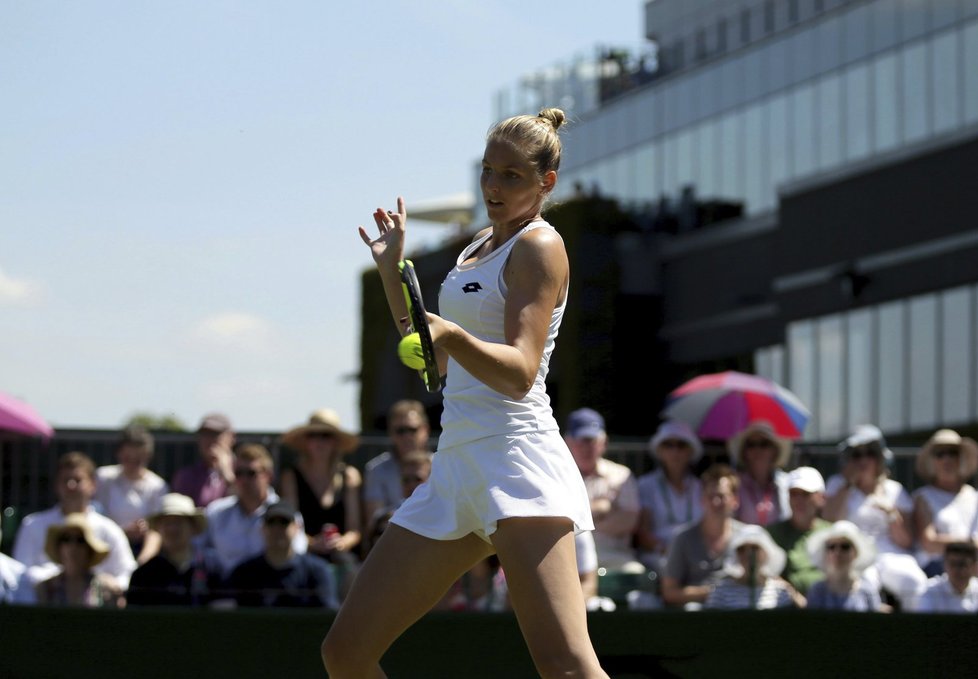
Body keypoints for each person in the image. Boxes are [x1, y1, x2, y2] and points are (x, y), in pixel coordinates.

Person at [324, 108, 607, 678]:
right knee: (346, 652)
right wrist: (391, 269)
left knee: (567, 667)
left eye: (511, 176)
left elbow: (521, 370)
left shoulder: (540, 246)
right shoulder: (477, 244)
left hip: (518, 463)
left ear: (546, 182)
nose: (493, 188)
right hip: (456, 466)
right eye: (487, 172)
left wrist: (451, 332)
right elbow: (421, 342)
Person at [823, 425, 926, 610]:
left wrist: (892, 516)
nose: (863, 460)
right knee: (862, 588)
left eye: (869, 453)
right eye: (856, 454)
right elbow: (829, 521)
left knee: (916, 582)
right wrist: (848, 485)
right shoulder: (837, 484)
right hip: (855, 556)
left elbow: (906, 541)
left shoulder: (895, 490)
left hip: (892, 555)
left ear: (879, 458)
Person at [13, 452, 136, 589]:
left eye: (77, 480)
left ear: (93, 485)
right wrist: (57, 579)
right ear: (56, 485)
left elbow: (127, 574)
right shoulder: (33, 524)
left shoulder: (110, 529)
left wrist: (106, 584)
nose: (71, 486)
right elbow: (21, 574)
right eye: (65, 480)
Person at [198, 443, 307, 578]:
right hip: (225, 591)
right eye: (239, 473)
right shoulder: (216, 512)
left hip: (270, 591)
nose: (244, 480)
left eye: (251, 473)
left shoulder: (286, 514)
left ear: (268, 476)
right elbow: (196, 548)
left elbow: (297, 554)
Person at [279, 408, 363, 572]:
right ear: (305, 442)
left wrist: (342, 543)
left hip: (343, 560)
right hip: (304, 556)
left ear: (335, 442)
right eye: (313, 435)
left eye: (326, 436)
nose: (319, 441)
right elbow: (291, 525)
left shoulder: (350, 476)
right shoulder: (291, 477)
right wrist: (311, 543)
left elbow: (355, 530)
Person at [565, 407, 643, 574]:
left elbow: (629, 522)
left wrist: (580, 520)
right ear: (567, 442)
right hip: (571, 559)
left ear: (604, 443)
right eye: (581, 441)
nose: (587, 447)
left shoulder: (622, 475)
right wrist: (600, 509)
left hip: (615, 558)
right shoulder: (558, 477)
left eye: (592, 440)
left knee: (639, 576)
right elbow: (557, 521)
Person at [224, 500, 339, 609]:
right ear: (262, 529)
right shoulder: (244, 574)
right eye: (271, 522)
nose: (277, 529)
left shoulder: (316, 571)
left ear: (296, 528)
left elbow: (327, 616)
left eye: (284, 522)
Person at [660, 464, 745, 609]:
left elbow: (765, 578)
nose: (715, 502)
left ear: (735, 500)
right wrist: (712, 593)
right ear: (702, 500)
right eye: (710, 496)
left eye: (721, 496)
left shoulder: (748, 536)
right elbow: (669, 591)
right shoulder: (682, 538)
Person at [127, 493, 223, 607]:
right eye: (167, 523)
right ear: (158, 529)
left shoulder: (212, 566)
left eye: (178, 522)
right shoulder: (144, 575)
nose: (172, 529)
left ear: (192, 527)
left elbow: (224, 611)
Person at [635, 420, 703, 575]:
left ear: (690, 451)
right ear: (660, 450)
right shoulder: (646, 484)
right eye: (668, 445)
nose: (675, 451)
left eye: (681, 445)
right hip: (659, 555)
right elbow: (642, 533)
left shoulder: (700, 487)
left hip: (695, 554)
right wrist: (668, 550)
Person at [94, 424, 168, 564]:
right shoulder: (103, 478)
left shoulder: (158, 486)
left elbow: (156, 531)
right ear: (119, 454)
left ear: (148, 456)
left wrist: (141, 564)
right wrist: (122, 532)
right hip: (105, 550)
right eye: (128, 458)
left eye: (138, 459)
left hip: (143, 552)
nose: (133, 464)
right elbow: (96, 519)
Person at [911, 429, 978, 577]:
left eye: (952, 453)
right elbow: (929, 542)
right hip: (937, 568)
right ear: (932, 461)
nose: (947, 459)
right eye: (940, 454)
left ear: (961, 458)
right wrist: (969, 545)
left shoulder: (974, 496)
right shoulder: (922, 497)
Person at [363, 399, 434, 536]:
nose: (407, 436)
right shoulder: (376, 469)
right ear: (391, 433)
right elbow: (375, 523)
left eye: (412, 429)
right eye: (400, 431)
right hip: (393, 538)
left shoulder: (442, 466)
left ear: (425, 429)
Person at [704, 524, 805, 609]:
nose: (748, 554)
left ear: (766, 553)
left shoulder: (781, 592)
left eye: (754, 548)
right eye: (742, 549)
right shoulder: (721, 592)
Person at [765, 466, 832, 594]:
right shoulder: (772, 534)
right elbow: (768, 574)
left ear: (821, 498)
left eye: (806, 494)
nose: (799, 500)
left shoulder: (833, 533)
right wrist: (794, 596)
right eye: (794, 494)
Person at [35, 513, 125, 608]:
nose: (73, 547)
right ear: (59, 547)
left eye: (80, 540)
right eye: (66, 539)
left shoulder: (107, 588)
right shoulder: (46, 588)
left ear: (89, 549)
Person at [805, 520, 884, 612]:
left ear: (855, 553)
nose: (837, 552)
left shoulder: (867, 591)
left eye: (845, 546)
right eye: (831, 546)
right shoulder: (817, 591)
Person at [728, 421, 791, 527]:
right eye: (751, 445)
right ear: (744, 452)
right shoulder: (734, 484)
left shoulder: (787, 483)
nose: (757, 450)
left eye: (764, 444)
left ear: (774, 451)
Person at [170, 413, 236, 508]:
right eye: (204, 434)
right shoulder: (187, 476)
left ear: (231, 437)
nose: (209, 440)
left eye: (215, 434)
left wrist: (227, 474)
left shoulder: (247, 472)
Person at [912, 541, 978, 614]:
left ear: (974, 566)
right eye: (953, 564)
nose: (957, 570)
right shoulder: (930, 591)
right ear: (944, 564)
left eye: (962, 564)